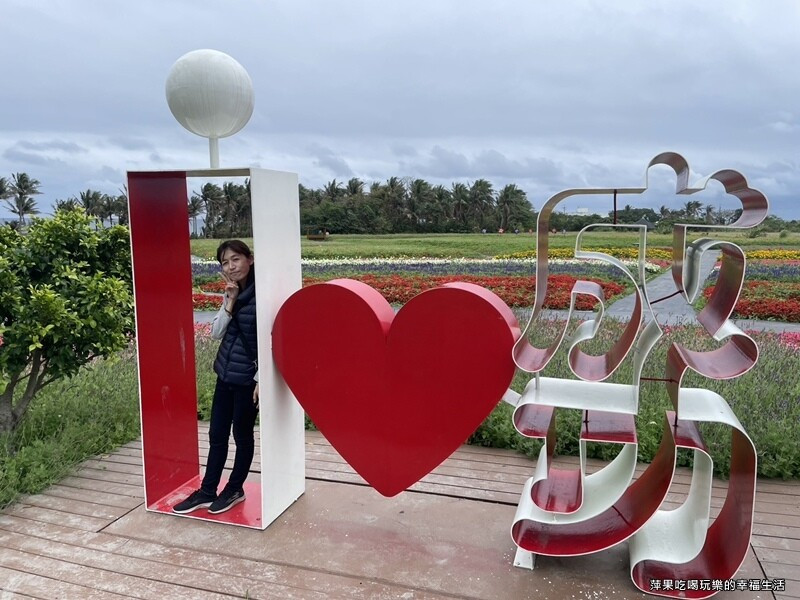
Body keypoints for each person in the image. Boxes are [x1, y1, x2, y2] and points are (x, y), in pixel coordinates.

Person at [173, 240, 259, 515]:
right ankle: (208, 490)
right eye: (225, 262)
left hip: (248, 379)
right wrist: (230, 300)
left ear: (250, 259)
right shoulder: (231, 292)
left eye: (236, 259)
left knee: (242, 435)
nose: (231, 266)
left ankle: (235, 488)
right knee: (217, 434)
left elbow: (276, 339)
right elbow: (216, 333)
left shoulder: (266, 294)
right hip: (224, 373)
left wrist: (262, 378)